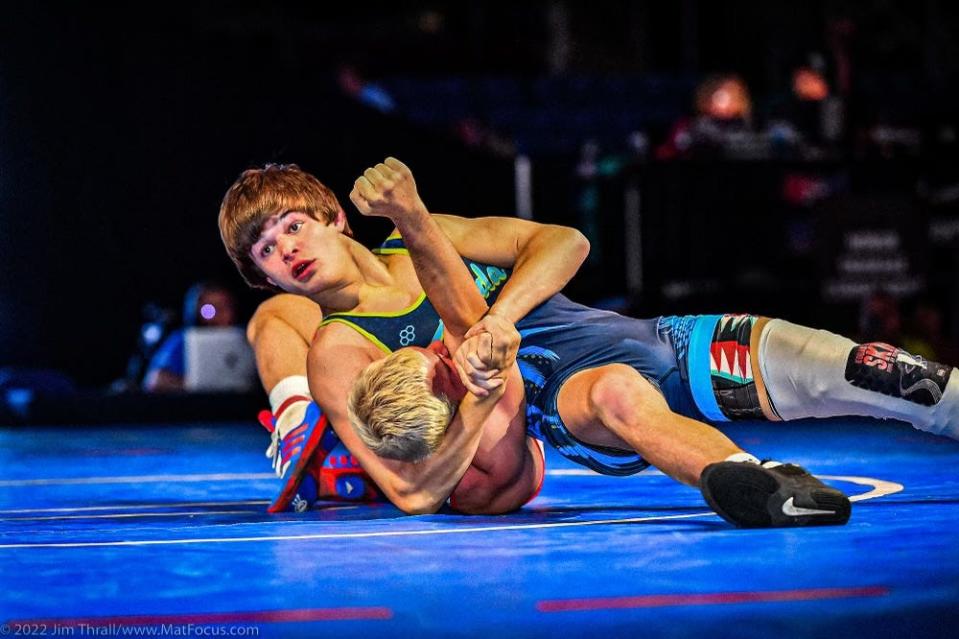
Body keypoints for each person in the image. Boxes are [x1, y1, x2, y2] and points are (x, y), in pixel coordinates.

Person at [345, 160, 959, 527]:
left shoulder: (462, 320)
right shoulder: (482, 427)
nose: (446, 351)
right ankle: (753, 479)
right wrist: (409, 213)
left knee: (883, 373)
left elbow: (567, 245)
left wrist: (499, 318)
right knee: (613, 393)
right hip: (584, 405)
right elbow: (487, 482)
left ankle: (773, 475)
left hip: (673, 348)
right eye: (443, 368)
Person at [218, 159, 584, 513]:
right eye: (266, 250)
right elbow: (414, 494)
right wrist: (486, 393)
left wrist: (500, 319)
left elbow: (566, 242)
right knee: (271, 318)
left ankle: (338, 451)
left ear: (336, 217)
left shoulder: (420, 237)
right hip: (493, 446)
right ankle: (297, 422)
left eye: (293, 227)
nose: (286, 249)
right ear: (267, 280)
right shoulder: (338, 350)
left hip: (557, 378)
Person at [142, 281, 240, 392]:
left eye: (225, 307)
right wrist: (194, 384)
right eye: (210, 309)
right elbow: (154, 381)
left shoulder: (248, 338)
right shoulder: (183, 340)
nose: (219, 314)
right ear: (196, 311)